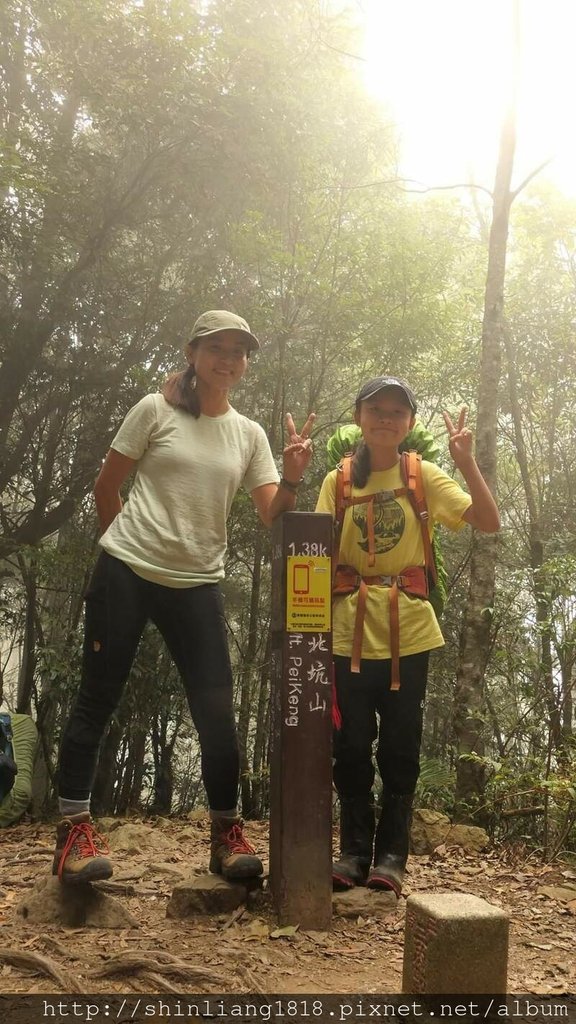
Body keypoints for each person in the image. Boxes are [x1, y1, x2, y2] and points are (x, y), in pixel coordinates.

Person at [53, 310, 314, 885]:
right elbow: (107, 488)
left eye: (238, 351)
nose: (228, 359)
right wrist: (127, 551)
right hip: (126, 572)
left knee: (217, 715)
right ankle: (74, 833)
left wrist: (292, 475)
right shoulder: (155, 409)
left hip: (198, 583)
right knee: (98, 699)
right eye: (217, 348)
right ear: (194, 353)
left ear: (246, 364)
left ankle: (225, 835)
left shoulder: (248, 434)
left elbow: (273, 513)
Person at [315, 375, 500, 896]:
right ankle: (352, 852)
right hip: (348, 631)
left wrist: (466, 461)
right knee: (350, 746)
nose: (386, 418)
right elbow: (312, 548)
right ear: (359, 417)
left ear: (410, 424)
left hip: (410, 635)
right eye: (376, 409)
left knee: (399, 748)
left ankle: (392, 856)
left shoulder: (425, 475)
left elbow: (487, 521)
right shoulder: (339, 480)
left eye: (398, 412)